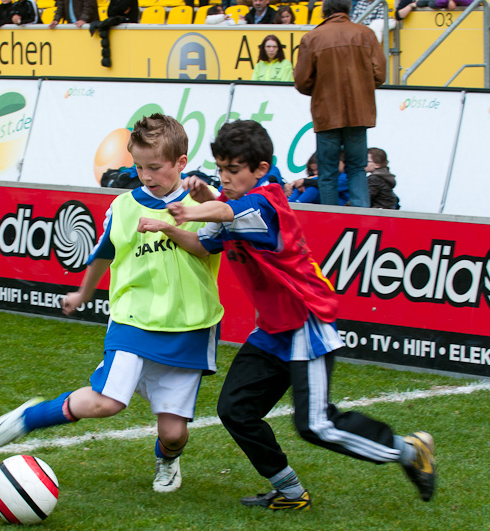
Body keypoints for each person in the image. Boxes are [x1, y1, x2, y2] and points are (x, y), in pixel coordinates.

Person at [141, 119, 437, 511]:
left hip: (306, 322)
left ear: (261, 169)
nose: (225, 177)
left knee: (315, 425)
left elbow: (227, 211)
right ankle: (291, 492)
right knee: (236, 411)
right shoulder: (235, 202)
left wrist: (191, 210)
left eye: (233, 170)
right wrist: (169, 227)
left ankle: (409, 450)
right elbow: (205, 242)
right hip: (273, 329)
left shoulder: (266, 202)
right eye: (221, 169)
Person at [0, 114, 224, 495]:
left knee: (174, 434)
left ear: (181, 162)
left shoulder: (206, 203)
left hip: (189, 326)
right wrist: (83, 293)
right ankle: (29, 417)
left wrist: (183, 218)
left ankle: (167, 459)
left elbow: (208, 246)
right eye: (139, 167)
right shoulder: (123, 206)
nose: (145, 176)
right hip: (133, 318)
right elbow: (104, 254)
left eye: (154, 167)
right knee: (106, 403)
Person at [294, 0, 386, 208]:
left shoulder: (312, 37)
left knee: (327, 172)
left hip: (326, 113)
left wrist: (320, 91)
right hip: (359, 112)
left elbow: (301, 81)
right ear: (348, 8)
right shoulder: (366, 34)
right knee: (357, 168)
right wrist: (361, 89)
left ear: (324, 10)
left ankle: (330, 219)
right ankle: (362, 217)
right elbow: (379, 75)